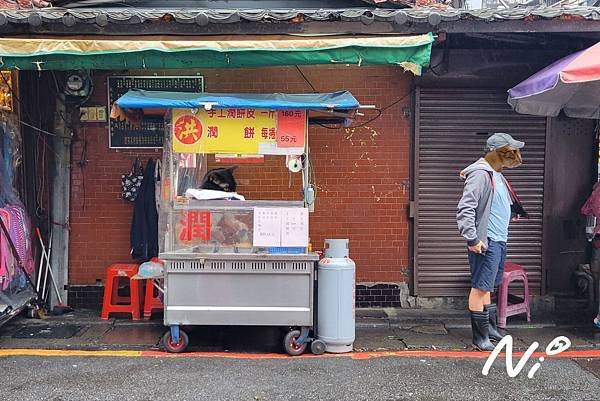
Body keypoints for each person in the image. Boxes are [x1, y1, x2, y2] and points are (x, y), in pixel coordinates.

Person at [456, 133, 528, 351]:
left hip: (499, 239)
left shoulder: (497, 174)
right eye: (511, 150)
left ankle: (490, 329)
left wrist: (511, 212)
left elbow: (498, 201)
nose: (515, 155)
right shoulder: (480, 174)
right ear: (498, 152)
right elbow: (465, 208)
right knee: (479, 287)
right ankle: (479, 338)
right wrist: (472, 238)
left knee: (488, 286)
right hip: (486, 241)